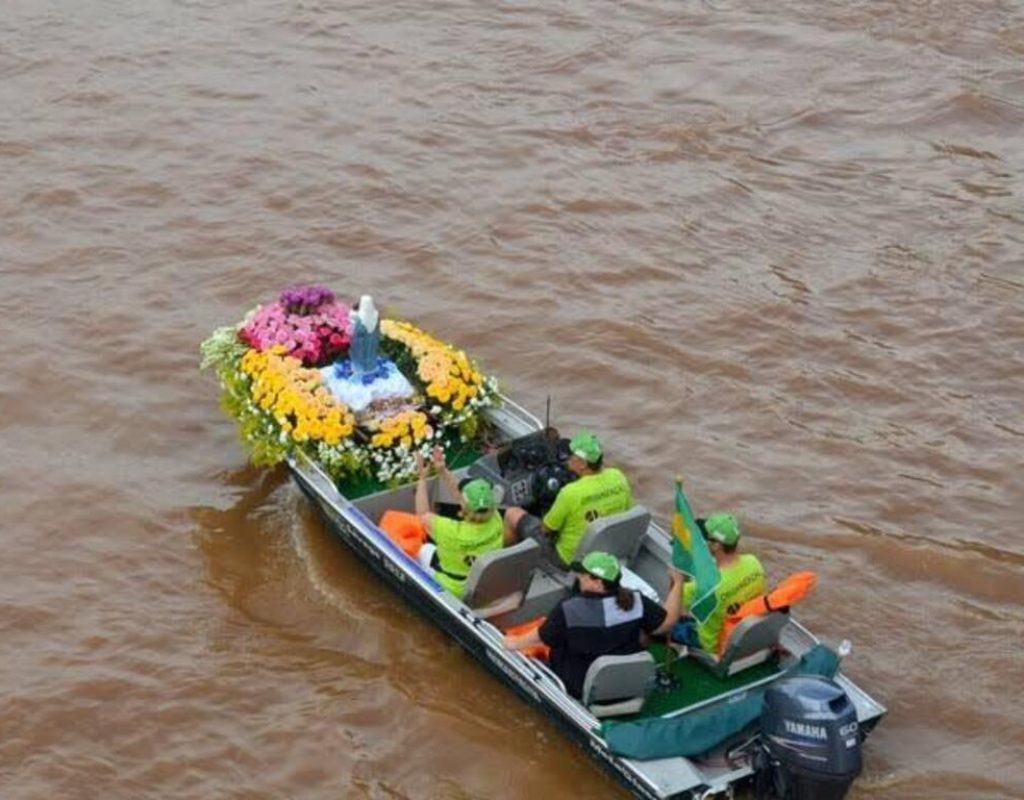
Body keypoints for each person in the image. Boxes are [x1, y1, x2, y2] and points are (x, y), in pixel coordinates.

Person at [504, 551, 684, 699]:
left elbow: (541, 637)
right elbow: (666, 624)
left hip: (579, 685)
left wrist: (510, 643)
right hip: (625, 682)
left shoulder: (568, 609)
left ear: (598, 583)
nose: (580, 577)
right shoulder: (637, 601)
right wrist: (678, 583)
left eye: (584, 574)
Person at [503, 431, 633, 568]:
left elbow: (546, 529)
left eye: (571, 457)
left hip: (568, 560)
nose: (567, 460)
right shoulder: (618, 476)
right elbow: (627, 510)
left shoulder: (570, 492)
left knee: (512, 513)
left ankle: (506, 563)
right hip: (606, 547)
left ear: (582, 464)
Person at [414, 447, 504, 599]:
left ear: (464, 505)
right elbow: (460, 496)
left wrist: (422, 479)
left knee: (424, 549)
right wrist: (442, 470)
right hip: (480, 584)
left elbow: (422, 514)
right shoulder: (496, 519)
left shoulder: (449, 531)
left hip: (451, 589)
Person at [674, 513, 766, 653]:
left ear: (716, 545)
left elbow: (675, 609)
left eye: (706, 537)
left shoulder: (705, 585)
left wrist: (677, 579)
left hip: (711, 645)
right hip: (738, 632)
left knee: (658, 622)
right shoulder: (754, 563)